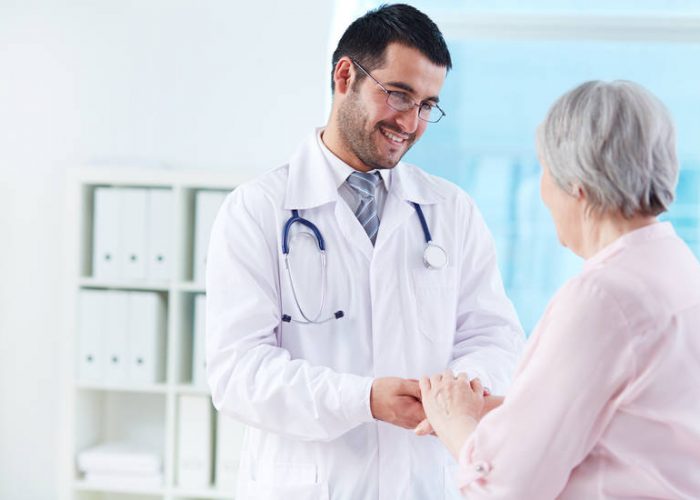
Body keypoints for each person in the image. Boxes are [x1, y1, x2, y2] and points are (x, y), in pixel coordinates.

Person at [206, 4, 524, 499]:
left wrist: (457, 393)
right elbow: (238, 373)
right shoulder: (257, 210)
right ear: (345, 75)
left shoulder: (450, 210)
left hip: (423, 481)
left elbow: (496, 336)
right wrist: (364, 400)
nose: (411, 122)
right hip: (312, 483)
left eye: (427, 105)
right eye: (399, 94)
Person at [418, 80, 700, 498]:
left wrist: (454, 419)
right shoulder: (677, 267)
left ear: (578, 187)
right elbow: (630, 420)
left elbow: (505, 487)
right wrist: (513, 413)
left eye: (544, 170)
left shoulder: (603, 297)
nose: (542, 190)